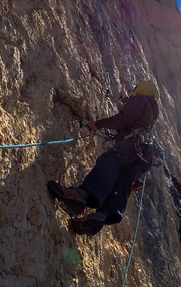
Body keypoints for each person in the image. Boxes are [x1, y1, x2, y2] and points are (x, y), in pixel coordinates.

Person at [48, 80, 160, 236]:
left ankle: (80, 196)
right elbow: (135, 116)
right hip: (141, 159)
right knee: (121, 183)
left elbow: (123, 119)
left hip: (132, 145)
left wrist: (97, 124)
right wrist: (126, 100)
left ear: (143, 89)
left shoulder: (141, 100)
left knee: (110, 160)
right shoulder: (151, 114)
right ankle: (99, 218)